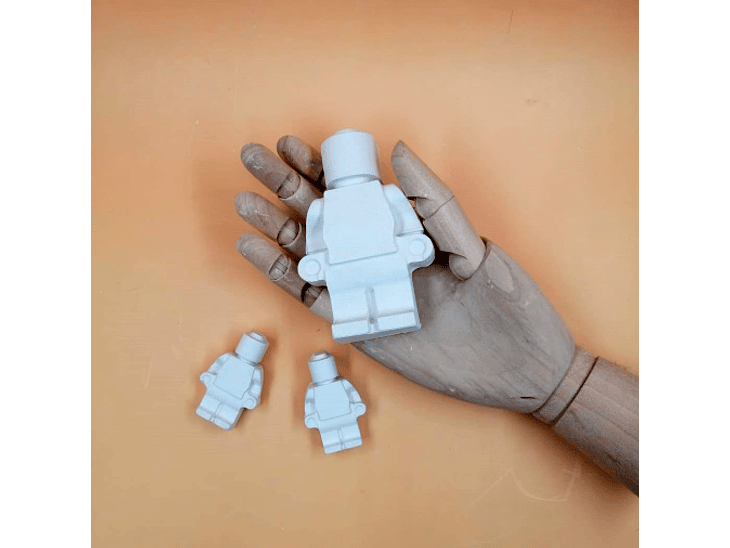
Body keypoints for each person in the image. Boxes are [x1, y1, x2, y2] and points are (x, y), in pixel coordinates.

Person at [233, 134, 639, 495]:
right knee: (355, 310)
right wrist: (319, 264)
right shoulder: (330, 208)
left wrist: (413, 247)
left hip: (390, 271)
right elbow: (319, 228)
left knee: (389, 302)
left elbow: (403, 222)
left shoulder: (383, 196)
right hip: (349, 274)